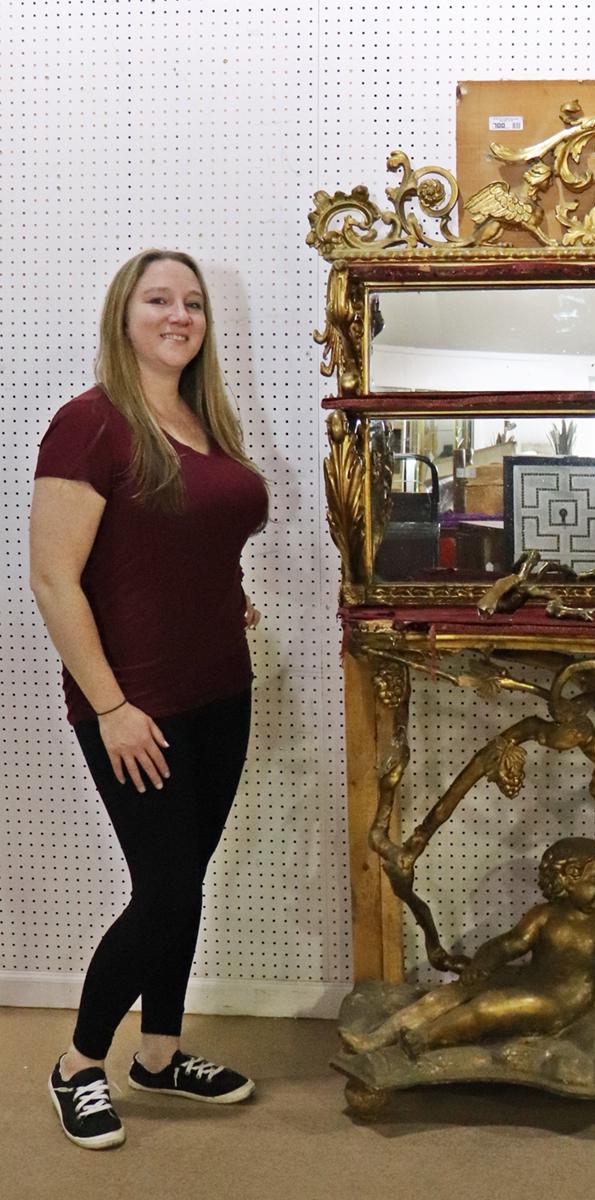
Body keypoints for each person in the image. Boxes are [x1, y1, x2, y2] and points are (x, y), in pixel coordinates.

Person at [30, 250, 269, 1149]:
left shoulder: (204, 420)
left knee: (185, 881)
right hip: (138, 705)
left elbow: (188, 536)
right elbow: (55, 579)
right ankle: (78, 1066)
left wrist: (222, 587)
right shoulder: (88, 424)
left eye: (194, 303)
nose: (180, 315)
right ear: (122, 316)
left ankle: (160, 1056)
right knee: (165, 891)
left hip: (222, 688)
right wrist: (109, 706)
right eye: (158, 300)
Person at [348, 838, 595, 1056]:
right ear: (567, 879)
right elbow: (510, 944)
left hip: (561, 1000)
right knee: (452, 993)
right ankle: (377, 1038)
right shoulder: (544, 915)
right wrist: (481, 964)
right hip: (531, 979)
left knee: (487, 1007)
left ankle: (424, 1038)